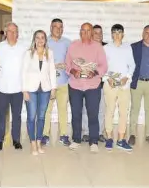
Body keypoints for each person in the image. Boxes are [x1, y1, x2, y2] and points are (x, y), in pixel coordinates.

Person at [65, 22, 108, 153]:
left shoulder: (98, 47)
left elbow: (103, 66)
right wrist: (74, 71)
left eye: (88, 31)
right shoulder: (73, 45)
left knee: (93, 114)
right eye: (83, 30)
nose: (85, 33)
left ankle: (93, 141)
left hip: (93, 85)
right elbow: (67, 65)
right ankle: (76, 139)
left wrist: (94, 72)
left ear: (92, 33)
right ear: (80, 32)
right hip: (75, 85)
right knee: (76, 113)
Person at [0, 22, 28, 151]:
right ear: (5, 33)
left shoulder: (24, 48)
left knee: (17, 115)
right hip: (2, 87)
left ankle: (16, 140)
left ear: (18, 34)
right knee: (1, 115)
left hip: (18, 88)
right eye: (9, 31)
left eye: (15, 31)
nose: (12, 34)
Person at [22, 30, 57, 155]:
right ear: (34, 39)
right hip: (31, 89)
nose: (40, 40)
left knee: (41, 117)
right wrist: (24, 90)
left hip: (45, 89)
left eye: (42, 38)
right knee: (31, 117)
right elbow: (23, 72)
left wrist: (53, 88)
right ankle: (32, 144)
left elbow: (52, 71)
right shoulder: (28, 53)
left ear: (45, 40)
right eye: (38, 38)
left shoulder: (50, 53)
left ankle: (38, 142)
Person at [103, 24, 135, 151]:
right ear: (111, 34)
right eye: (114, 32)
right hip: (110, 84)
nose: (117, 35)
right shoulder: (105, 48)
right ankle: (109, 138)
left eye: (119, 32)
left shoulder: (128, 48)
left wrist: (127, 77)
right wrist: (107, 78)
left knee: (123, 113)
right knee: (109, 111)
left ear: (123, 34)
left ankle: (121, 140)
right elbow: (102, 66)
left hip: (124, 85)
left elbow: (132, 65)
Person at [42, 18, 71, 146]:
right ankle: (44, 134)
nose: (58, 29)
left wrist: (67, 66)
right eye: (55, 27)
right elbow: (39, 61)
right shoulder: (44, 42)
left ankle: (64, 135)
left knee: (63, 110)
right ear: (51, 28)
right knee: (46, 110)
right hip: (48, 83)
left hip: (63, 82)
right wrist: (53, 65)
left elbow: (72, 61)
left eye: (60, 27)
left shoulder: (68, 43)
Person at [81, 24, 108, 143]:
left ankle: (100, 133)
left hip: (103, 85)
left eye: (100, 33)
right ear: (91, 34)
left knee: (102, 109)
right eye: (95, 33)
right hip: (89, 85)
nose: (98, 35)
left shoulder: (107, 47)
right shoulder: (87, 47)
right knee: (87, 110)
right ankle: (86, 133)